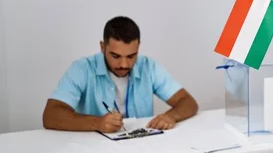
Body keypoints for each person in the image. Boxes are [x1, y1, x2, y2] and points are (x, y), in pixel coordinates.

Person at [42, 16, 198, 133]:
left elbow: (188, 102)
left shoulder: (148, 66)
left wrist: (171, 116)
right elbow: (51, 115)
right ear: (103, 47)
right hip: (94, 151)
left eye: (131, 56)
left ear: (138, 48)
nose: (124, 64)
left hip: (141, 148)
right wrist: (97, 123)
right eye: (116, 56)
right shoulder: (82, 69)